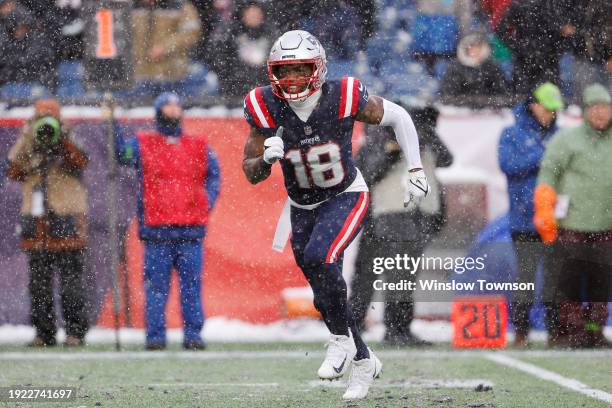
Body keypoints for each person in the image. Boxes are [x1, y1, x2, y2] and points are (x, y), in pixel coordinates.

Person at [242, 30, 429, 400]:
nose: (293, 78)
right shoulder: (263, 105)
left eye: (301, 69)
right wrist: (264, 158)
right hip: (302, 206)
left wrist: (415, 169)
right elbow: (250, 172)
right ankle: (362, 359)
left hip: (346, 195)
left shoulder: (343, 96)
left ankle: (341, 340)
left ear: (319, 68)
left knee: (321, 257)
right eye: (286, 70)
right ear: (272, 72)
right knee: (321, 289)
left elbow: (399, 116)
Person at [107, 92, 221, 350]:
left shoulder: (199, 146)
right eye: (167, 106)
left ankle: (193, 335)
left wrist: (206, 202)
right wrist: (112, 123)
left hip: (190, 230)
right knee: (157, 288)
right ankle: (155, 337)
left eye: (175, 105)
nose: (172, 110)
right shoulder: (143, 143)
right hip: (158, 231)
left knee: (190, 288)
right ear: (159, 111)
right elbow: (120, 154)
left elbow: (214, 176)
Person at [349, 105, 453, 347]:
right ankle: (356, 326)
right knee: (372, 274)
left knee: (403, 274)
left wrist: (427, 132)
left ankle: (398, 328)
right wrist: (390, 151)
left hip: (418, 215)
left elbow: (447, 159)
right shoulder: (377, 139)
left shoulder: (425, 140)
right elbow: (365, 173)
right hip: (387, 215)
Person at [6, 98, 89, 347]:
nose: (45, 121)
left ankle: (75, 331)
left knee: (71, 280)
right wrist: (28, 136)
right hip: (36, 216)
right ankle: (44, 332)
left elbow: (82, 162)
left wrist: (61, 137)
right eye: (40, 115)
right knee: (38, 282)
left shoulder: (71, 136)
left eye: (49, 115)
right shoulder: (28, 138)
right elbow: (13, 171)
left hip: (66, 213)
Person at [534, 83, 612, 348]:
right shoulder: (567, 139)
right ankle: (572, 331)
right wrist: (545, 207)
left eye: (607, 108)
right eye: (597, 108)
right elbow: (548, 173)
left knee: (601, 281)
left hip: (606, 224)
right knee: (569, 280)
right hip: (572, 224)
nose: (602, 114)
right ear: (586, 111)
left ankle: (595, 329)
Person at [498, 82, 564, 347]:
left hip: (553, 219)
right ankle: (521, 332)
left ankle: (555, 331)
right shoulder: (511, 133)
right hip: (523, 219)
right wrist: (543, 155)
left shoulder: (560, 135)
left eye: (554, 110)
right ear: (534, 105)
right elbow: (508, 165)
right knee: (524, 277)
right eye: (548, 109)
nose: (551, 114)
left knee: (554, 277)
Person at [130, 0, 201, 97]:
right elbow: (121, 35)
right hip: (138, 76)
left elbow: (191, 33)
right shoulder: (129, 6)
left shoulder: (180, 6)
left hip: (172, 75)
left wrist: (165, 47)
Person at [440, 32, 508, 103]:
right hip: (460, 108)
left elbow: (500, 91)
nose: (476, 51)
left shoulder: (492, 67)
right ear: (466, 50)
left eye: (478, 48)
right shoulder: (455, 68)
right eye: (472, 48)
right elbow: (449, 92)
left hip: (488, 108)